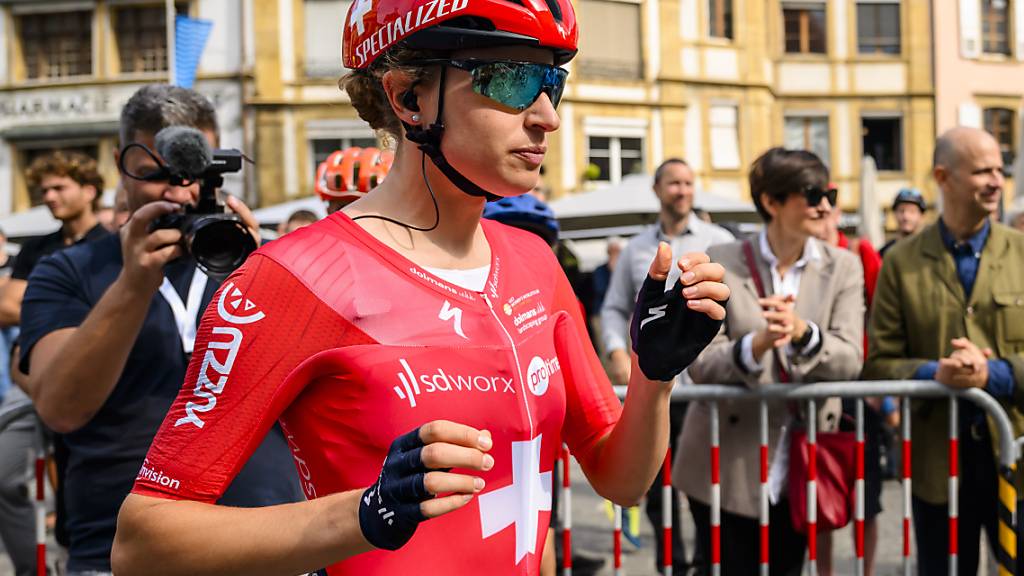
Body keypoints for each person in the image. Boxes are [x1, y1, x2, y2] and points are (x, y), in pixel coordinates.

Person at [110, 3, 730, 574]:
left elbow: (621, 481)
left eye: (552, 83)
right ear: (409, 97)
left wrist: (655, 375)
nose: (548, 117)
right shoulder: (293, 276)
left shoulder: (535, 262)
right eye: (513, 80)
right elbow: (143, 544)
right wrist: (367, 513)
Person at [18, 84, 303, 576]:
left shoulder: (273, 259)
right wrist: (132, 285)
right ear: (121, 166)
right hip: (117, 548)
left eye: (194, 174)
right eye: (156, 176)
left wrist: (264, 275)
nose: (178, 192)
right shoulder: (68, 270)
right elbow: (61, 407)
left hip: (266, 538)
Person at [676, 148, 864, 576]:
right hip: (724, 461)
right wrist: (756, 345)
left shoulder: (845, 268)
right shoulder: (722, 260)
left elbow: (851, 359)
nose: (825, 205)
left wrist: (804, 335)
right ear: (772, 202)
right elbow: (700, 363)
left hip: (802, 459)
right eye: (812, 193)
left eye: (829, 193)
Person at [864, 126, 1024, 576]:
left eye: (1000, 169)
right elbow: (878, 365)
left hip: (1015, 458)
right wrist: (938, 372)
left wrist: (991, 376)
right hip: (939, 466)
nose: (996, 180)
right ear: (944, 177)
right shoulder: (901, 261)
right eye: (982, 171)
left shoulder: (1021, 252)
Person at [599, 157, 733, 573]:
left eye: (689, 183)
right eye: (674, 183)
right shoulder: (637, 249)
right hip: (655, 391)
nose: (682, 190)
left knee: (706, 485)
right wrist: (618, 353)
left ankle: (708, 562)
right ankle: (669, 562)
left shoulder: (720, 239)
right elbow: (613, 309)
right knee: (657, 486)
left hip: (705, 389)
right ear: (657, 190)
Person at [0, 151, 110, 576]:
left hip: (92, 383)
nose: (49, 196)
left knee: (82, 486)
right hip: (26, 378)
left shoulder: (108, 246)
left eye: (59, 187)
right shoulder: (37, 248)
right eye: (44, 189)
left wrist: (43, 303)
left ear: (88, 189)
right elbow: (6, 307)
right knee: (7, 475)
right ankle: (33, 570)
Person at [813, 201, 884, 576]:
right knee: (821, 494)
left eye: (826, 208)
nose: (820, 215)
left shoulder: (859, 252)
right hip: (816, 387)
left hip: (858, 387)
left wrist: (876, 389)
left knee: (866, 498)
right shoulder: (804, 255)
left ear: (837, 212)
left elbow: (883, 317)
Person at [879, 187, 927, 258]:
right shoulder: (884, 252)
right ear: (894, 214)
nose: (906, 217)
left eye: (912, 211)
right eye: (901, 211)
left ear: (921, 216)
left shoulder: (930, 250)